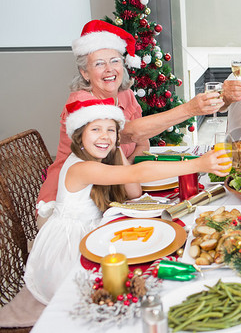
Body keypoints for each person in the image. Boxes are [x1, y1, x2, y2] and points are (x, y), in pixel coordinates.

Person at [24, 99, 230, 304]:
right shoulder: (80, 168)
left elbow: (134, 190)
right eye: (95, 129)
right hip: (69, 247)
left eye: (111, 130)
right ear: (79, 136)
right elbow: (138, 171)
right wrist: (199, 164)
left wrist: (115, 147)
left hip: (93, 232)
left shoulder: (99, 156)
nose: (104, 136)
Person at [36, 20, 224, 217]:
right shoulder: (82, 104)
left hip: (113, 193)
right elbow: (131, 134)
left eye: (115, 61)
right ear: (85, 72)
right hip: (70, 205)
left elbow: (142, 143)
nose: (109, 69)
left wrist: (125, 169)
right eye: (99, 63)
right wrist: (189, 109)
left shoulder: (125, 94)